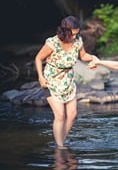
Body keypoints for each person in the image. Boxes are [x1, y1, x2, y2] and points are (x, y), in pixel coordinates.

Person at [35, 15, 99, 149]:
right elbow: (38, 58)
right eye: (72, 34)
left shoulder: (77, 41)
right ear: (64, 31)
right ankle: (60, 147)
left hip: (68, 80)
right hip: (51, 80)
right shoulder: (52, 43)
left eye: (77, 33)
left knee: (72, 115)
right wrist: (41, 77)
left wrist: (94, 58)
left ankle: (60, 141)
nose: (74, 37)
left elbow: (83, 56)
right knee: (60, 115)